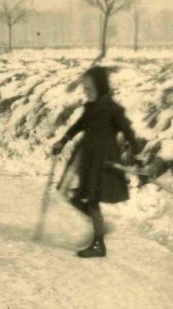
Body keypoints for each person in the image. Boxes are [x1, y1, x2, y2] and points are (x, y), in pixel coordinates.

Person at [51, 66, 142, 258]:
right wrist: (63, 140)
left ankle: (98, 243)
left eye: (89, 88)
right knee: (73, 195)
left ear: (100, 86)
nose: (86, 91)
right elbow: (78, 126)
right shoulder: (90, 107)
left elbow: (129, 133)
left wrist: (138, 158)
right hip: (87, 158)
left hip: (103, 161)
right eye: (84, 88)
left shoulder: (112, 109)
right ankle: (99, 225)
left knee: (92, 200)